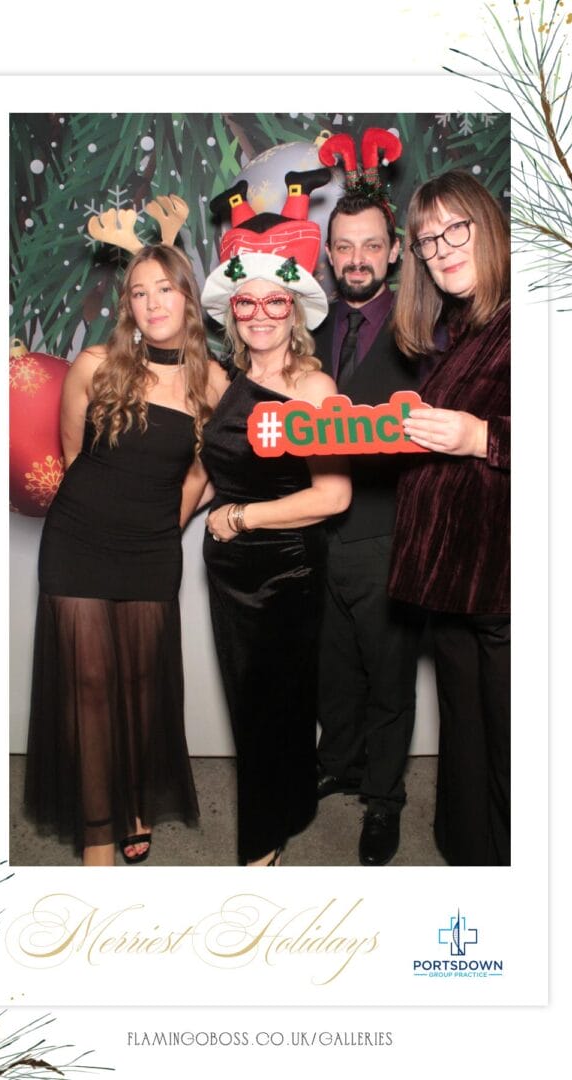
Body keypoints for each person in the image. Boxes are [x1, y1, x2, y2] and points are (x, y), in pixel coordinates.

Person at [23, 244, 228, 867]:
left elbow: (204, 473)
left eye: (164, 289)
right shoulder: (95, 365)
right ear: (128, 306)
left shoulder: (214, 383)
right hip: (77, 541)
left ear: (187, 297)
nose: (152, 303)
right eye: (139, 292)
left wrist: (164, 527)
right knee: (88, 686)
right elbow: (71, 454)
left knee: (142, 683)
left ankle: (136, 798)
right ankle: (97, 836)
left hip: (150, 549)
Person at [200, 173, 351, 866]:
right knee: (254, 703)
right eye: (247, 302)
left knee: (271, 703)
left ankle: (261, 849)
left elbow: (333, 497)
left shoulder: (315, 388)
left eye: (275, 302)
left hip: (284, 571)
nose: (260, 314)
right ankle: (287, 808)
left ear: (295, 312)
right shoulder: (231, 381)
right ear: (234, 313)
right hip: (229, 570)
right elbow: (215, 466)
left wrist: (240, 518)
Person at [389, 169, 510, 866]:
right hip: (455, 586)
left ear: (487, 224)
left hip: (508, 584)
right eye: (427, 241)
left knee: (515, 744)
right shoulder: (460, 331)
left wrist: (482, 436)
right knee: (467, 735)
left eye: (454, 229)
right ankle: (472, 864)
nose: (441, 250)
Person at [313, 182, 424, 867]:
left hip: (388, 532)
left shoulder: (424, 334)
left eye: (371, 246)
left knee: (388, 675)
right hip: (313, 531)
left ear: (394, 252)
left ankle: (383, 797)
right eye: (345, 246)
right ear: (330, 253)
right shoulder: (307, 331)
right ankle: (340, 764)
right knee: (332, 668)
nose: (357, 258)